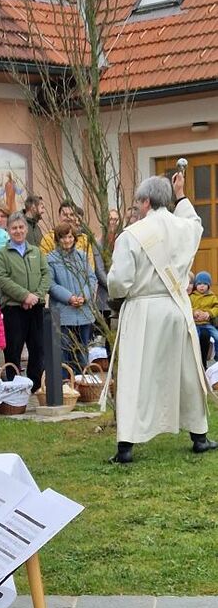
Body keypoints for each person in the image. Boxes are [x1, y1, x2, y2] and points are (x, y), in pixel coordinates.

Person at [107, 171, 217, 463]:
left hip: (142, 310)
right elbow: (195, 223)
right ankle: (199, 436)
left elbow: (119, 282)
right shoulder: (183, 227)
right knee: (186, 372)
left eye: (138, 202)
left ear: (145, 202)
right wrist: (180, 194)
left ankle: (126, 447)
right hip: (176, 308)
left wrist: (118, 291)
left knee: (136, 374)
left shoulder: (131, 235)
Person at [0, 211, 50, 391]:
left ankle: (35, 386)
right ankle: (15, 387)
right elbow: (2, 279)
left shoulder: (36, 251)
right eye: (14, 228)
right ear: (8, 230)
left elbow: (46, 274)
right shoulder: (2, 254)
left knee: (38, 348)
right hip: (14, 309)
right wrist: (24, 296)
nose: (18, 231)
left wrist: (36, 296)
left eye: (21, 227)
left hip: (36, 307)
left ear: (26, 229)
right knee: (13, 349)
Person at [47, 222, 99, 373]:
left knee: (82, 354)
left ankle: (81, 382)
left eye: (70, 237)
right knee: (64, 356)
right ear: (57, 239)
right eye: (63, 237)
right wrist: (69, 298)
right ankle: (66, 383)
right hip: (64, 314)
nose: (67, 240)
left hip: (83, 313)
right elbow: (51, 284)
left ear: (75, 238)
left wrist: (84, 296)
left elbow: (91, 278)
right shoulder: (50, 259)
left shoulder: (82, 256)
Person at [190, 271, 218, 364]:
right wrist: (194, 312)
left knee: (217, 336)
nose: (202, 286)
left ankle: (217, 356)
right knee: (196, 340)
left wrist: (209, 313)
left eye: (205, 284)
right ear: (196, 285)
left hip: (206, 324)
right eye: (199, 284)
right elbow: (188, 306)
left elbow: (216, 307)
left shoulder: (212, 297)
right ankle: (197, 358)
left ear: (209, 286)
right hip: (195, 324)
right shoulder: (192, 296)